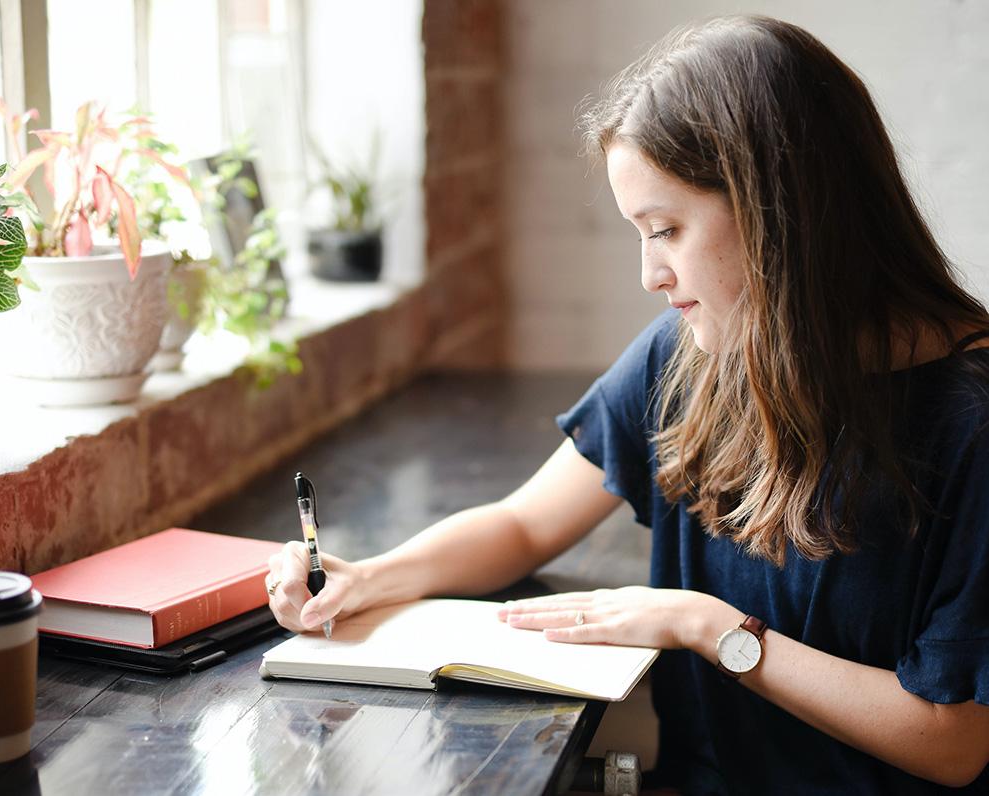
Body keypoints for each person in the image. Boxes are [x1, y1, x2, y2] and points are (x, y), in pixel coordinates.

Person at [267, 14, 989, 793]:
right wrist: (371, 577)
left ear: (780, 211)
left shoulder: (971, 424)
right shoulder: (687, 356)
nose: (650, 274)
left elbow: (948, 741)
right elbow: (523, 523)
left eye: (666, 229)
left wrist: (710, 629)